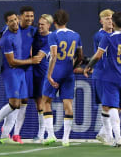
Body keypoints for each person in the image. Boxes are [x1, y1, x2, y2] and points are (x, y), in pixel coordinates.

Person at [0, 11, 42, 144]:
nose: (14, 22)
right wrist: (31, 61)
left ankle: (4, 136)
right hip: (11, 72)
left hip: (21, 72)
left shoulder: (20, 32)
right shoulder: (7, 38)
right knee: (14, 104)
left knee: (18, 105)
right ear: (6, 23)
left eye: (15, 19)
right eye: (11, 21)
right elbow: (12, 62)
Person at [85, 11, 121, 147]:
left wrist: (88, 66)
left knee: (113, 107)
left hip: (110, 76)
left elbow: (98, 55)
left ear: (113, 24)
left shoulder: (108, 38)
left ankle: (118, 138)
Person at [42, 9, 83, 147]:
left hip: (55, 70)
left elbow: (53, 55)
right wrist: (72, 67)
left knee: (46, 101)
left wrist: (49, 75)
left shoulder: (53, 35)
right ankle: (66, 139)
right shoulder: (76, 35)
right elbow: (81, 56)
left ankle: (51, 135)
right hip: (68, 72)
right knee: (68, 105)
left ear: (54, 22)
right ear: (66, 21)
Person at [9, 6, 37, 143]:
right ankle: (6, 129)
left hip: (28, 68)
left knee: (24, 100)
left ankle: (16, 133)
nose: (30, 19)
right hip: (14, 69)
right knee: (15, 101)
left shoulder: (33, 31)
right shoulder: (12, 29)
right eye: (27, 16)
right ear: (20, 17)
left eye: (32, 16)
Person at [91, 9, 114, 142]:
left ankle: (103, 132)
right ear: (101, 21)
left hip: (113, 75)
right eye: (107, 18)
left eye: (111, 18)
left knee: (113, 105)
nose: (110, 21)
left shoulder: (115, 34)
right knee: (106, 104)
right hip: (102, 74)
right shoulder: (100, 36)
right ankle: (109, 136)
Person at [31, 13, 54, 143]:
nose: (39, 26)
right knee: (37, 103)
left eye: (42, 24)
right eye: (39, 24)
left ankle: (42, 134)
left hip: (44, 73)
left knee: (43, 103)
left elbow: (38, 58)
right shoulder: (35, 34)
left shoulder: (51, 38)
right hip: (32, 72)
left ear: (48, 25)